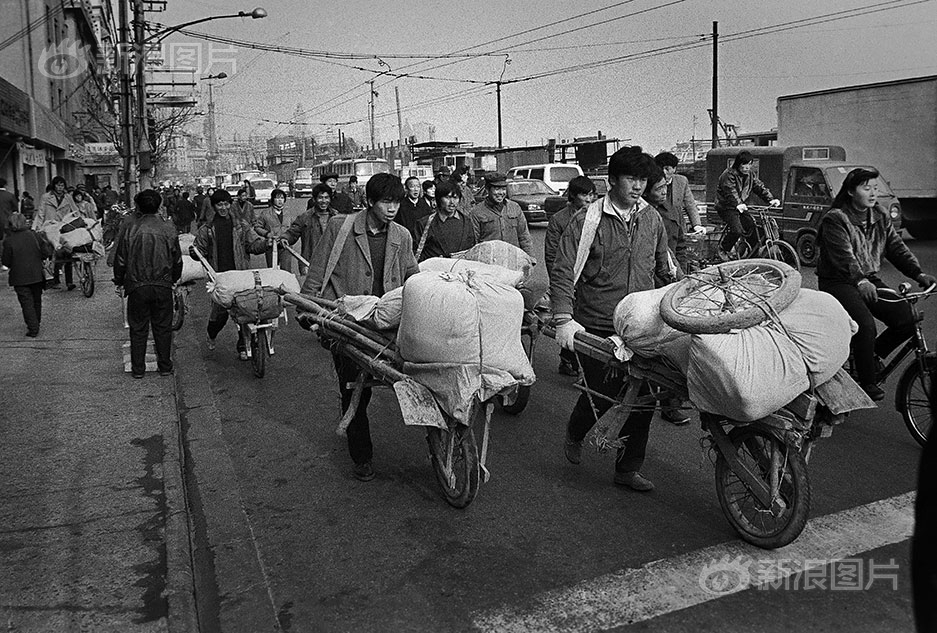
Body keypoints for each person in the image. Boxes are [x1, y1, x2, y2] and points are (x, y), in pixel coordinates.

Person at [550, 147, 673, 492]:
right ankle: (576, 431)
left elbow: (663, 267)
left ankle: (627, 469)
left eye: (643, 179)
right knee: (603, 391)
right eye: (631, 179)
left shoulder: (651, 218)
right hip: (598, 320)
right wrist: (563, 318)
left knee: (644, 398)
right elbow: (563, 270)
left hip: (642, 320)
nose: (638, 186)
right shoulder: (587, 221)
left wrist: (681, 296)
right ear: (612, 181)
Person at [299, 173, 419, 482]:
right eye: (386, 202)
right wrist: (307, 307)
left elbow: (412, 276)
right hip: (349, 321)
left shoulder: (402, 235)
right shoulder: (341, 228)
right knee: (354, 389)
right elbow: (319, 269)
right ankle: (361, 455)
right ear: (370, 201)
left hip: (387, 321)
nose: (392, 209)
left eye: (396, 202)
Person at [816, 167, 936, 401]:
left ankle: (870, 356)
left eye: (875, 188)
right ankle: (866, 381)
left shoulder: (879, 215)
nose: (873, 193)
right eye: (866, 188)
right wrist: (860, 280)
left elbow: (896, 248)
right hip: (838, 281)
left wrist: (918, 274)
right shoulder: (836, 218)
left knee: (908, 318)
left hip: (867, 278)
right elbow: (844, 257)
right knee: (865, 324)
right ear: (851, 191)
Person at [113, 190, 182, 378]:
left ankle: (138, 370)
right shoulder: (168, 228)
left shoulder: (131, 229)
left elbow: (121, 259)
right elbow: (177, 259)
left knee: (138, 328)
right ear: (159, 205)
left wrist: (119, 280)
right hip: (162, 284)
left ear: (139, 207)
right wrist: (174, 279)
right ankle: (165, 366)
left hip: (137, 285)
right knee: (163, 327)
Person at [642, 167, 691, 426]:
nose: (664, 192)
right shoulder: (643, 216)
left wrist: (684, 279)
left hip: (669, 281)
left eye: (665, 187)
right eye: (659, 188)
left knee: (674, 342)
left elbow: (674, 250)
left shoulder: (668, 212)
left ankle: (670, 404)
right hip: (649, 288)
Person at [193, 189, 267, 360]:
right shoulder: (207, 229)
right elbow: (199, 249)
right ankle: (211, 333)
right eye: (219, 204)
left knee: (245, 311)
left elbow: (253, 245)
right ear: (214, 206)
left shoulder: (241, 226)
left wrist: (266, 244)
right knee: (219, 315)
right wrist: (194, 252)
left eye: (226, 204)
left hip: (240, 275)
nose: (223, 208)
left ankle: (243, 346)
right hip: (219, 278)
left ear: (230, 204)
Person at [544, 175, 596, 377]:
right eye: (584, 195)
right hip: (568, 277)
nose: (589, 199)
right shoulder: (559, 220)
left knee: (586, 319)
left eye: (592, 194)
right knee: (569, 318)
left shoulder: (595, 217)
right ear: (573, 196)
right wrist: (560, 285)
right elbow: (552, 255)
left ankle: (583, 362)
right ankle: (568, 360)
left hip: (588, 278)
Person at [714, 151, 780, 256]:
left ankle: (752, 252)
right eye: (744, 164)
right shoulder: (728, 174)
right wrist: (738, 203)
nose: (747, 167)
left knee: (752, 226)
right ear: (738, 164)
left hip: (740, 206)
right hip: (726, 206)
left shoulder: (750, 175)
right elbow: (730, 191)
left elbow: (758, 187)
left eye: (749, 164)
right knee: (737, 230)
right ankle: (724, 248)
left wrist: (770, 199)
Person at [2, 212, 52, 337]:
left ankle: (33, 327)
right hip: (36, 274)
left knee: (26, 303)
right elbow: (46, 252)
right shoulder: (35, 235)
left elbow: (6, 262)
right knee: (36, 300)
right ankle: (36, 322)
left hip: (19, 276)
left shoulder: (8, 241)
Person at [469, 172, 534, 257]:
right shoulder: (476, 212)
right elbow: (474, 243)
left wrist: (530, 258)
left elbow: (524, 237)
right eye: (496, 189)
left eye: (503, 189)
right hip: (489, 261)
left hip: (513, 259)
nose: (501, 193)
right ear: (487, 189)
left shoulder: (515, 207)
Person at [413, 180, 477, 261]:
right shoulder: (425, 224)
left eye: (455, 198)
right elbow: (416, 254)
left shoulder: (466, 222)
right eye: (447, 197)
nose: (452, 202)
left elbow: (472, 249)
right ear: (439, 199)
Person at [34, 176, 80, 290]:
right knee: (54, 254)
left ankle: (69, 281)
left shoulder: (68, 197)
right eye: (58, 185)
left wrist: (79, 221)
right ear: (54, 186)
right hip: (50, 227)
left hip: (65, 226)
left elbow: (75, 211)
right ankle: (55, 280)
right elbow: (41, 213)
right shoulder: (46, 197)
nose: (60, 187)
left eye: (62, 185)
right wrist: (38, 227)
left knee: (68, 252)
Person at [281, 184, 336, 276]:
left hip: (332, 263)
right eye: (320, 198)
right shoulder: (305, 217)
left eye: (326, 198)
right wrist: (285, 238)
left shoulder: (336, 217)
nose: (323, 201)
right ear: (314, 199)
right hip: (309, 263)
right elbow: (293, 232)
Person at [654, 152, 703, 234]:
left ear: (674, 169)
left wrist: (696, 225)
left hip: (677, 227)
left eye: (667, 169)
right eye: (660, 169)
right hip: (659, 226)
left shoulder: (682, 181)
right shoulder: (652, 182)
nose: (663, 172)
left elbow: (690, 205)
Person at [254, 189, 291, 270]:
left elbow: (292, 228)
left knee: (286, 270)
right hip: (271, 245)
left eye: (282, 198)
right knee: (272, 271)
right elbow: (257, 227)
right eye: (277, 198)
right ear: (273, 199)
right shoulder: (265, 213)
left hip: (285, 246)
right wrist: (267, 234)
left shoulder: (288, 213)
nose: (280, 200)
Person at [395, 176, 432, 244]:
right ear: (406, 189)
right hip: (406, 240)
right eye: (412, 186)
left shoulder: (424, 204)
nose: (416, 189)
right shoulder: (401, 205)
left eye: (418, 186)